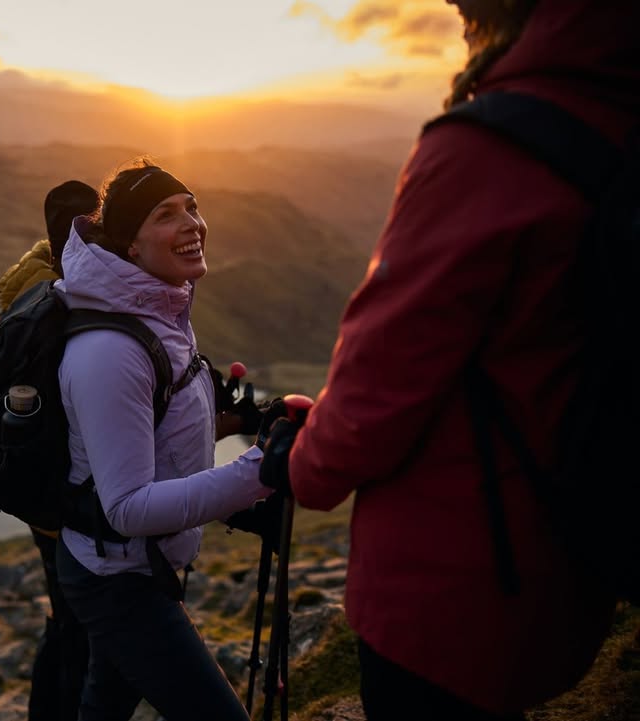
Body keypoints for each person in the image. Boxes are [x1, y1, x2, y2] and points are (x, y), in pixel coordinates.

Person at [266, 1, 637, 719]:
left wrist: (297, 462)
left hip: (445, 587)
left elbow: (377, 390)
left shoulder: (490, 148)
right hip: (569, 559)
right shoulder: (616, 116)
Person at [53, 159, 274, 721]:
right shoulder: (111, 350)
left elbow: (163, 436)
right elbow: (126, 507)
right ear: (130, 245)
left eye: (192, 207)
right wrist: (261, 471)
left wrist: (248, 423)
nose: (192, 223)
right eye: (165, 214)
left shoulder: (159, 311)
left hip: (134, 564)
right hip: (117, 580)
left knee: (104, 704)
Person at [0, 179, 101, 721]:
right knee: (79, 630)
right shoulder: (62, 302)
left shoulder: (33, 283)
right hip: (68, 504)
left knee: (66, 622)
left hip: (40, 497)